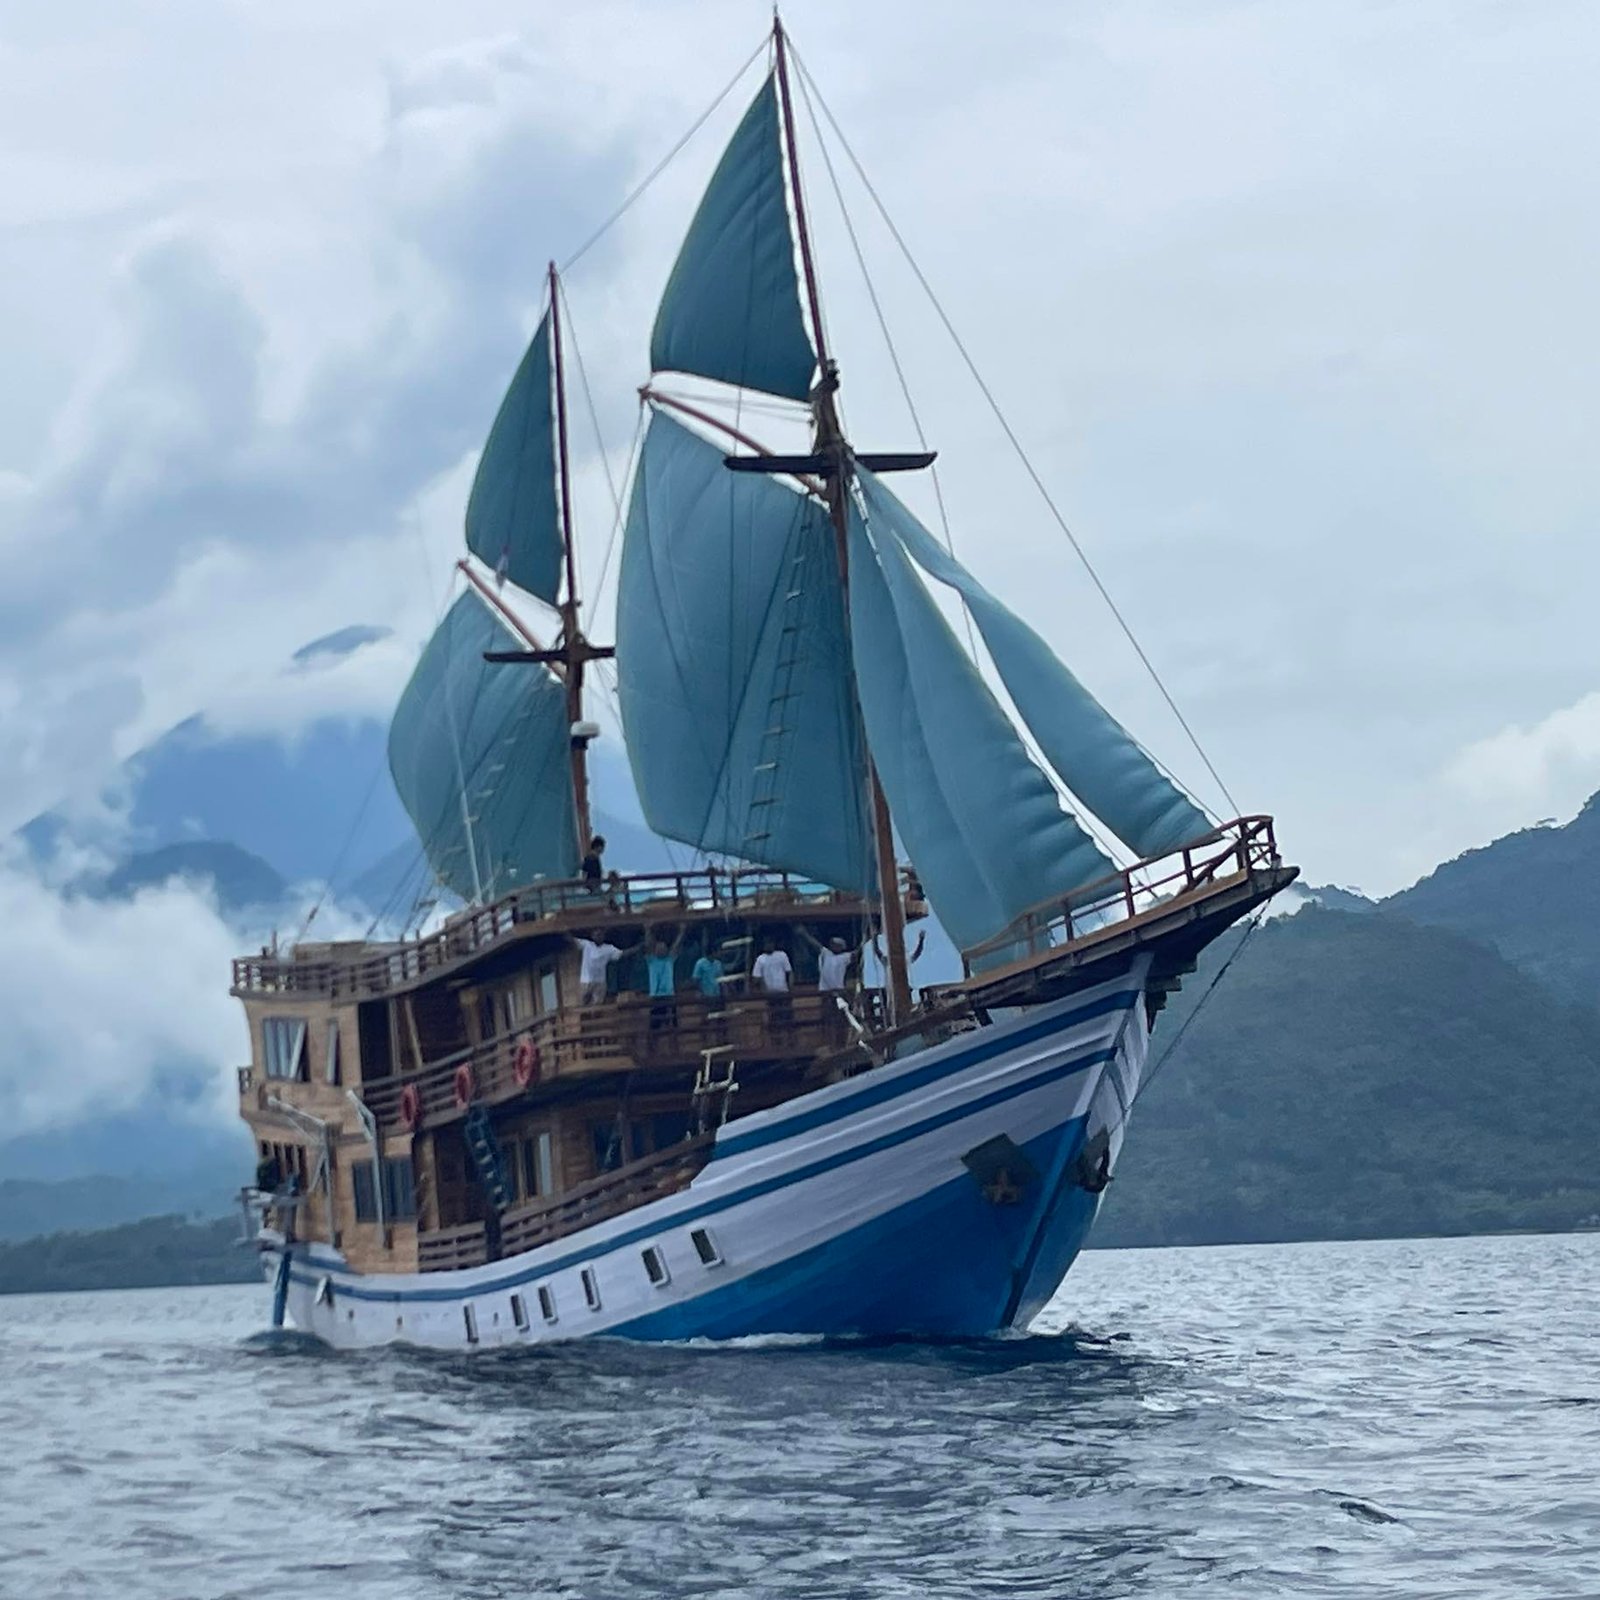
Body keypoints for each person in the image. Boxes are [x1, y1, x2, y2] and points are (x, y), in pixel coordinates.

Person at [572, 929, 629, 1004]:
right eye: (597, 935)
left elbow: (622, 954)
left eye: (601, 935)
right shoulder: (587, 944)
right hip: (585, 981)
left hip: (600, 981)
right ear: (592, 936)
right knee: (582, 1003)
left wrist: (639, 947)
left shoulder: (609, 948)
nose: (599, 937)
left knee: (598, 1004)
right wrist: (564, 931)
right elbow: (572, 940)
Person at [798, 927, 862, 992]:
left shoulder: (845, 956)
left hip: (838, 989)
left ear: (841, 946)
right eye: (832, 944)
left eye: (835, 944)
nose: (832, 945)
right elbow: (814, 944)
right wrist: (804, 934)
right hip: (824, 990)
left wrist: (864, 939)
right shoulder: (826, 953)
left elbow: (858, 951)